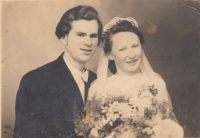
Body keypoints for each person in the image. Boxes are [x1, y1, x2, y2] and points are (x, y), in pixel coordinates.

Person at [13, 5, 102, 138]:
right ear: (63, 37)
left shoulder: (98, 80)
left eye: (93, 36)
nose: (88, 42)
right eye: (81, 35)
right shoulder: (35, 81)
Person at [86, 17, 184, 137]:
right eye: (122, 49)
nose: (131, 55)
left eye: (135, 46)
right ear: (110, 54)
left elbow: (171, 125)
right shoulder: (99, 88)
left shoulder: (156, 82)